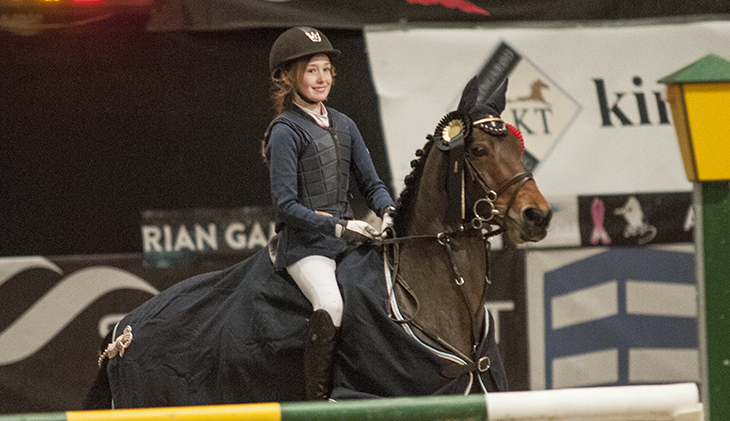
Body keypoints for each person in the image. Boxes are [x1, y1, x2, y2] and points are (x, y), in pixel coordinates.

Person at [262, 26, 395, 400]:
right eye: (311, 71)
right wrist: (339, 227)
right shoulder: (285, 131)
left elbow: (372, 183)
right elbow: (286, 206)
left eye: (326, 70)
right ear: (291, 77)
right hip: (306, 247)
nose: (321, 79)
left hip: (345, 241)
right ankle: (318, 399)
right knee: (331, 303)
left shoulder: (345, 124)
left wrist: (387, 210)